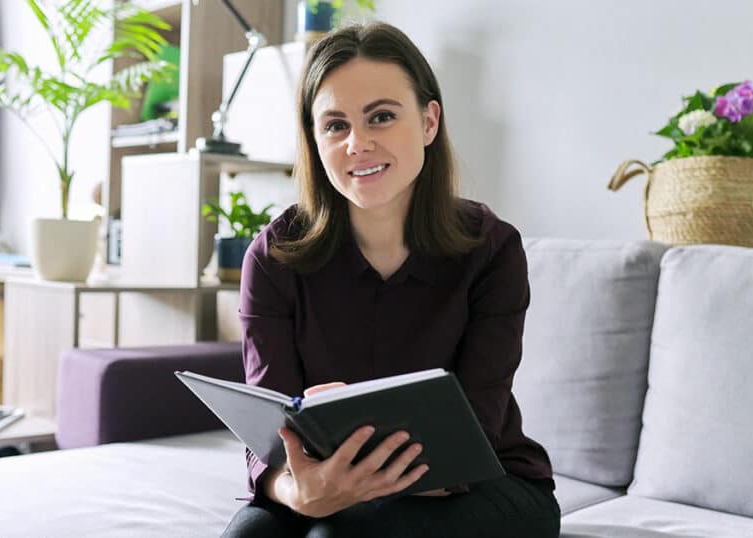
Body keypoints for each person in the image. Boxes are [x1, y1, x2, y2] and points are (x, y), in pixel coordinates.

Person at [221, 21, 560, 538]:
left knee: (348, 533)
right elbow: (269, 442)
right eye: (335, 125)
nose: (359, 143)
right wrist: (299, 493)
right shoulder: (273, 258)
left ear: (428, 122)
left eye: (381, 116)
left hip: (486, 485)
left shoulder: (493, 250)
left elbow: (472, 435)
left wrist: (344, 484)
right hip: (320, 481)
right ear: (314, 140)